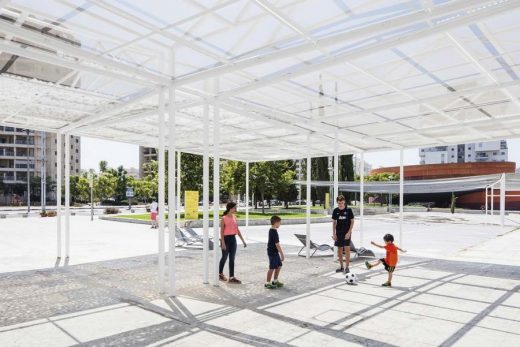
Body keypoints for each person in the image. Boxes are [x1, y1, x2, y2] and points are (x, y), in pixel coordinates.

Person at [219, 201, 247, 283]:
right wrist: (223, 243)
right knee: (224, 257)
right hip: (226, 239)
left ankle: (231, 277)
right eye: (235, 207)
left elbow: (237, 229)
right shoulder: (224, 218)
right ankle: (220, 273)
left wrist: (243, 240)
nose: (236, 209)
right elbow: (221, 232)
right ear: (230, 208)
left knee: (232, 258)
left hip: (233, 239)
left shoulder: (234, 217)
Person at [331, 195, 355, 273]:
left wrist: (349, 232)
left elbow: (352, 222)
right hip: (338, 233)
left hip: (346, 233)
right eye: (339, 203)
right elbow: (334, 223)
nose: (340, 204)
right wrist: (334, 234)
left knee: (347, 249)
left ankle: (347, 267)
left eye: (341, 202)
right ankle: (341, 267)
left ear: (344, 201)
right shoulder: (335, 211)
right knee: (339, 250)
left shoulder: (349, 210)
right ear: (337, 203)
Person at [265, 215, 284, 289]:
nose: (280, 224)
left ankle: (275, 280)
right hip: (273, 252)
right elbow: (277, 244)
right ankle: (267, 283)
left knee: (279, 265)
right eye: (279, 223)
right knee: (272, 267)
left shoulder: (272, 230)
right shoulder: (274, 232)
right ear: (275, 223)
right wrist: (282, 254)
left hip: (274, 252)